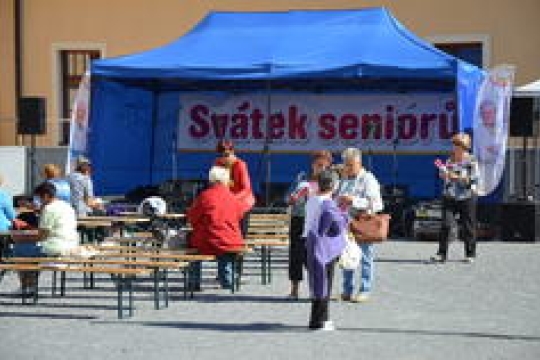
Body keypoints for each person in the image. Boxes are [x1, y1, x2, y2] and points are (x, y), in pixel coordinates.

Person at [12, 182, 79, 294]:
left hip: (55, 247)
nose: (38, 201)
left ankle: (26, 286)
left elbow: (41, 236)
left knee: (20, 249)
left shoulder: (49, 209)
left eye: (39, 198)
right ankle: (30, 285)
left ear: (46, 196)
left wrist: (20, 238)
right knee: (30, 251)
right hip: (71, 244)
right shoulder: (67, 206)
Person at [187, 166, 247, 289]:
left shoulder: (204, 196)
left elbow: (192, 218)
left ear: (211, 180)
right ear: (226, 180)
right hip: (231, 241)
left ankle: (194, 282)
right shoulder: (233, 198)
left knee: (192, 245)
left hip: (207, 241)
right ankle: (227, 280)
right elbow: (240, 215)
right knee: (225, 253)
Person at [335, 147, 383, 303]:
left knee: (365, 257)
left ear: (358, 162)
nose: (347, 168)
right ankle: (347, 290)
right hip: (346, 223)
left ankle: (364, 289)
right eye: (345, 164)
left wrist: (353, 200)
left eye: (350, 165)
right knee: (347, 256)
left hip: (363, 222)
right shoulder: (343, 179)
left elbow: (376, 204)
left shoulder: (368, 179)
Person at [286, 150, 333, 300]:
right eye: (318, 165)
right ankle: (294, 290)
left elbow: (334, 200)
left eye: (325, 166)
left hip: (318, 221)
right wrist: (293, 198)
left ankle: (317, 290)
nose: (321, 169)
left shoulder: (331, 179)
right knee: (296, 254)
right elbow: (288, 197)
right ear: (312, 164)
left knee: (315, 256)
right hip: (299, 218)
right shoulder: (302, 177)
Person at [304, 169, 347, 331]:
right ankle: (322, 321)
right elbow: (334, 226)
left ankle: (317, 320)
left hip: (309, 243)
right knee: (324, 285)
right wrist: (344, 214)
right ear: (334, 186)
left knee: (316, 284)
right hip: (324, 247)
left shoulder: (311, 200)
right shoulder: (328, 204)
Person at [432, 133, 479, 263]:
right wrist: (443, 174)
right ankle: (441, 254)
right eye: (454, 144)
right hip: (450, 196)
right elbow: (446, 178)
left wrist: (455, 177)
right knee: (446, 224)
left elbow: (471, 180)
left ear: (465, 147)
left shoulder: (471, 161)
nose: (455, 147)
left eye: (458, 144)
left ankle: (470, 254)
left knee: (468, 226)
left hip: (467, 197)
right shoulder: (449, 160)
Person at [214, 140, 255, 229]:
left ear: (232, 152)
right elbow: (216, 186)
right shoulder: (218, 164)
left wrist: (232, 199)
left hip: (243, 203)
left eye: (226, 155)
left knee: (240, 233)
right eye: (220, 155)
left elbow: (246, 189)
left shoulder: (240, 165)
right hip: (228, 204)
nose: (223, 158)